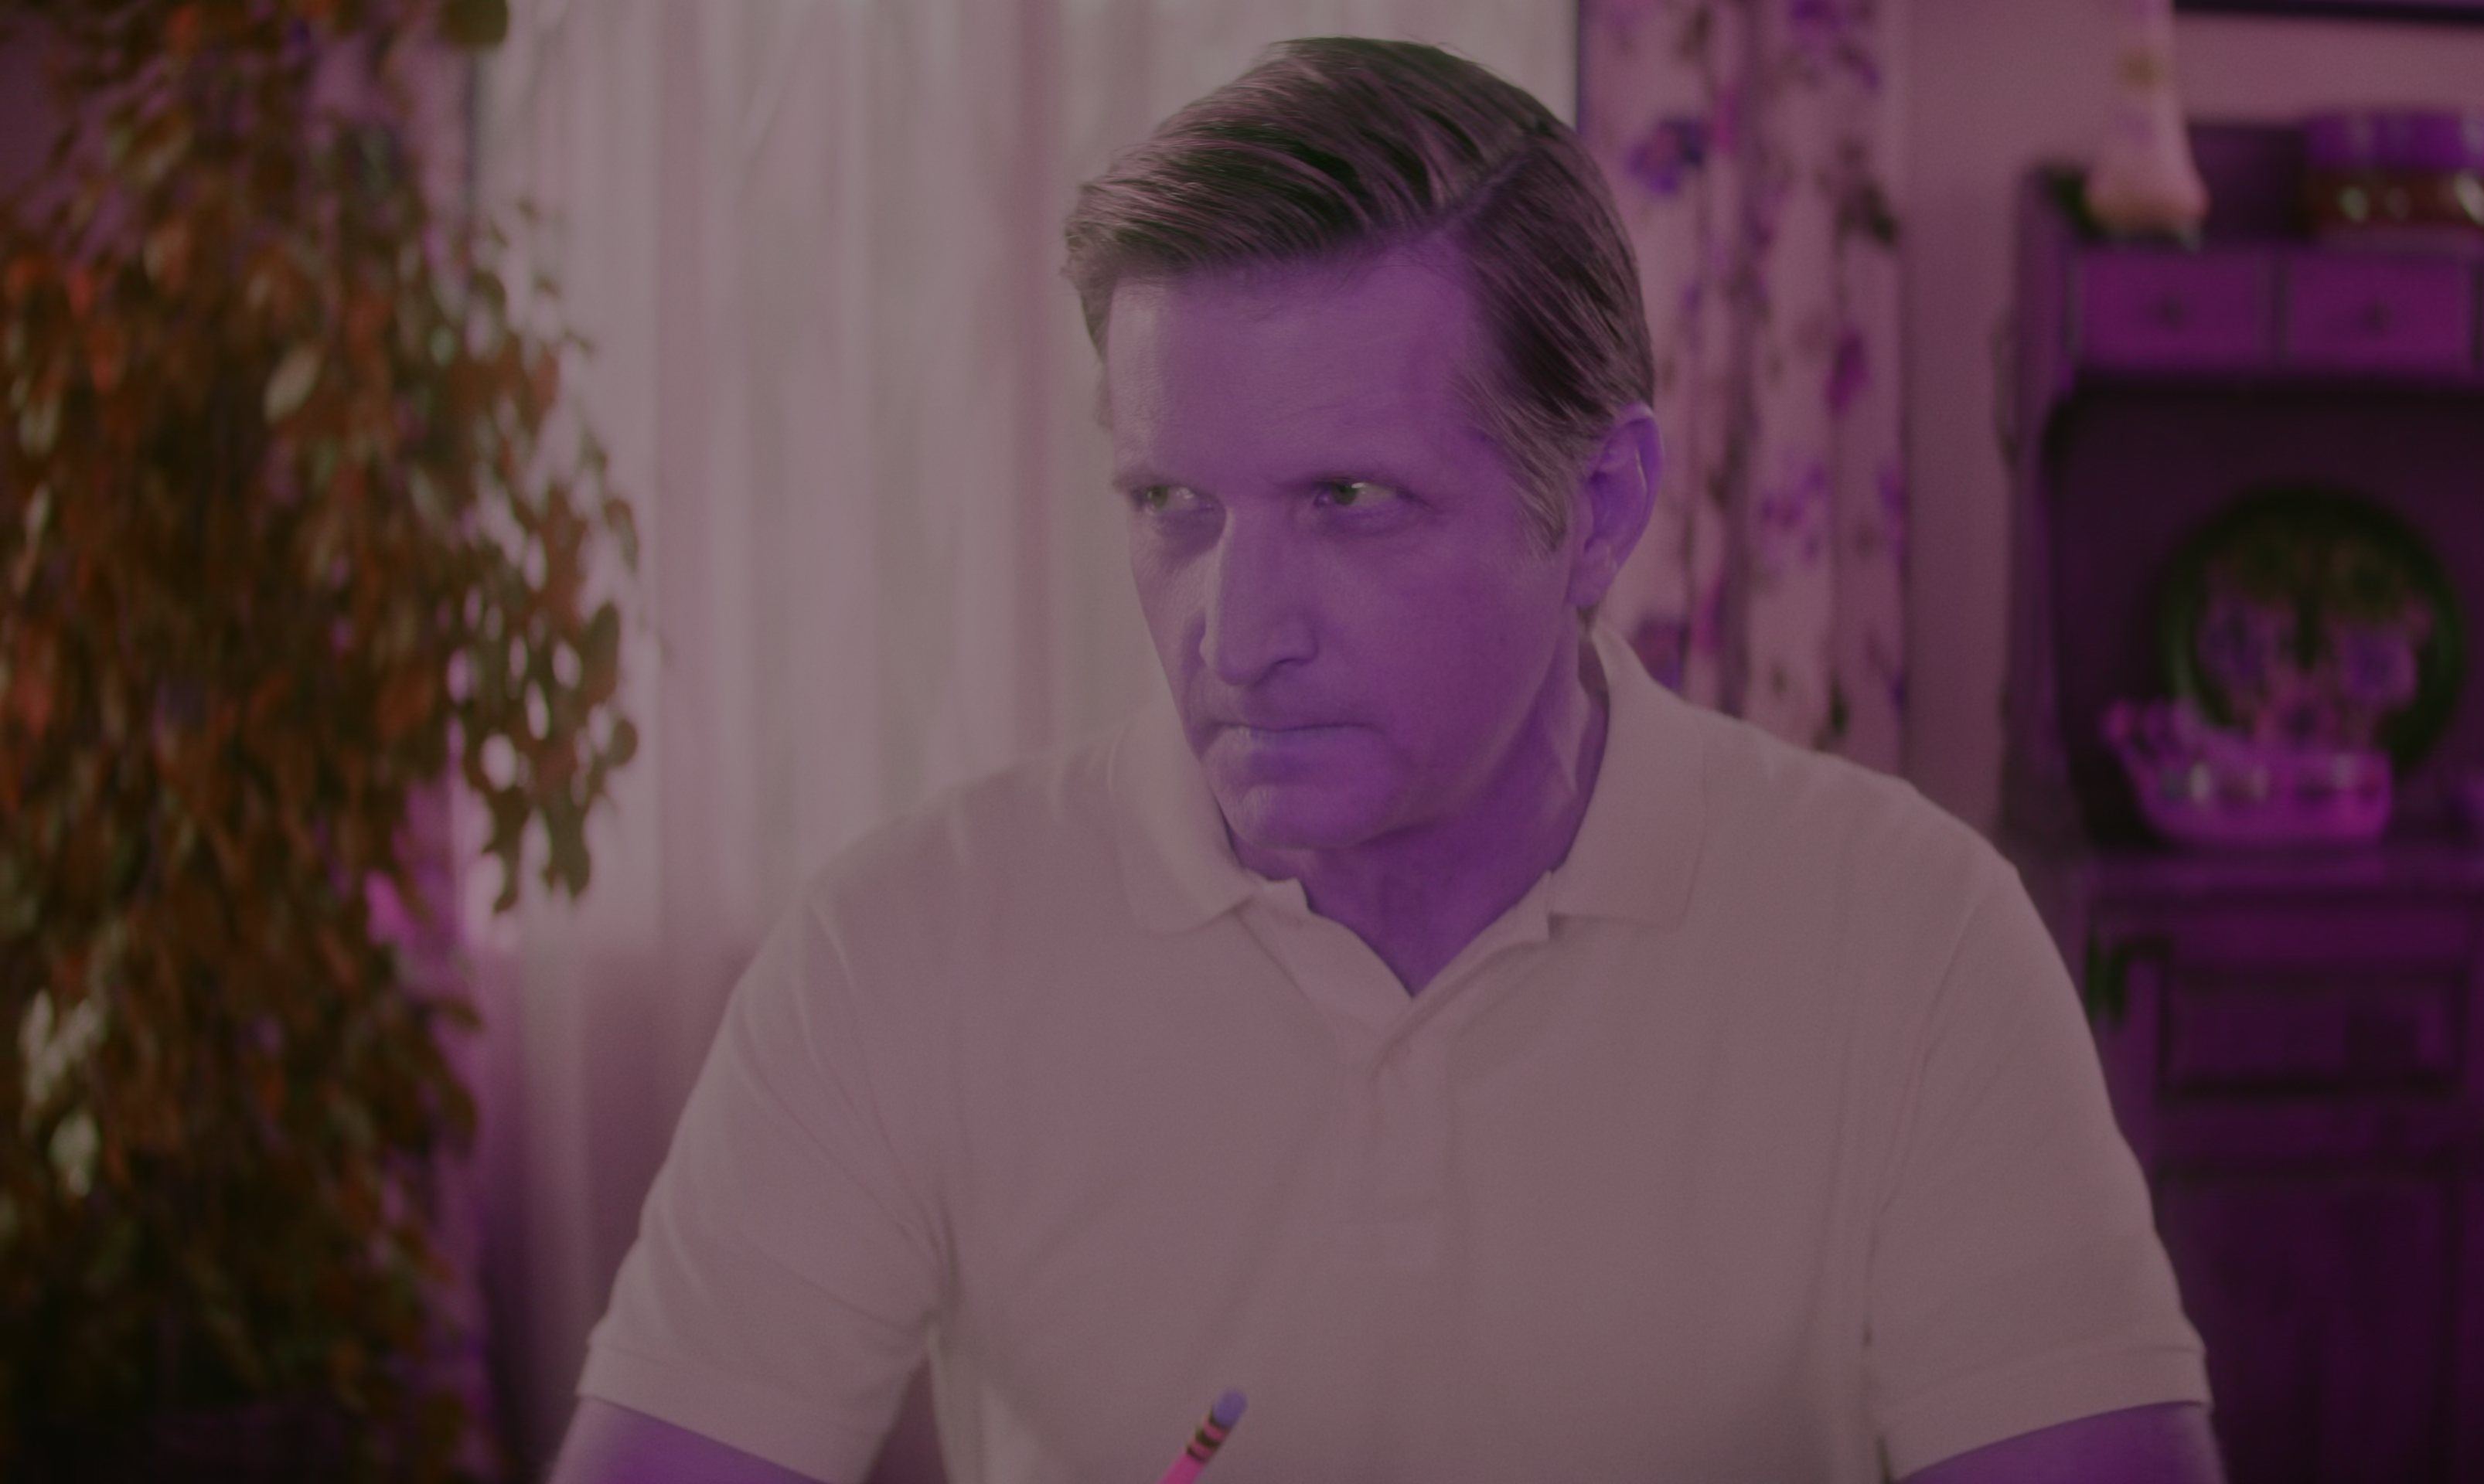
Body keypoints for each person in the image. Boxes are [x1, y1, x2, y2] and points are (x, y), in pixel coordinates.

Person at [550, 37, 2220, 1484]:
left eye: (1349, 502)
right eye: (1172, 504)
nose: (1235, 635)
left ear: (1600, 511)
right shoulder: (898, 949)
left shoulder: (1916, 947)